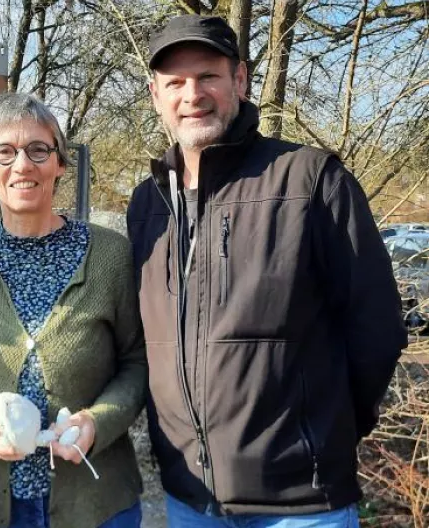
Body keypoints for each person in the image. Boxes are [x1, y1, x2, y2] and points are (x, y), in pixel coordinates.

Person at [128, 15, 407, 527]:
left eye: (208, 76)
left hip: (301, 504)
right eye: (175, 82)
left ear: (240, 80)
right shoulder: (148, 202)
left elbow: (377, 329)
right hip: (190, 500)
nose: (192, 94)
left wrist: (326, 434)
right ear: (155, 95)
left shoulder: (311, 180)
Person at [0, 92, 148, 528]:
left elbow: (137, 362)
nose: (22, 165)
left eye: (38, 150)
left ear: (60, 163)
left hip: (97, 503)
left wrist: (98, 422)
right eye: (4, 152)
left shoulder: (112, 257)